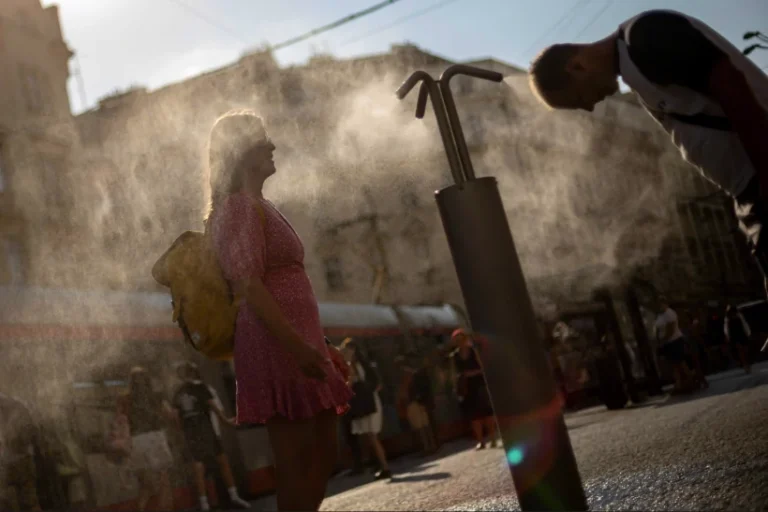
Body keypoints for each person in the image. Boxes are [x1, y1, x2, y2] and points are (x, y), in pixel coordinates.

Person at [528, 10, 768, 296]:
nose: (590, 107)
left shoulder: (644, 37)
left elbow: (732, 87)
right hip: (750, 190)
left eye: (579, 99)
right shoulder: (636, 65)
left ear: (576, 67)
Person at [207, 110, 352, 511]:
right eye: (262, 140)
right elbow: (249, 283)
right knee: (297, 461)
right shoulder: (238, 207)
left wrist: (319, 345)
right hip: (276, 344)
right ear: (241, 152)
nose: (272, 145)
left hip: (298, 342)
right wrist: (298, 347)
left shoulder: (260, 204)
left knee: (323, 453)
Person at [171, 362, 250, 510]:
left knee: (198, 467)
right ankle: (233, 496)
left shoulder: (178, 392)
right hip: (208, 430)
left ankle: (204, 504)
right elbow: (213, 405)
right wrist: (226, 421)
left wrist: (181, 433)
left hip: (191, 434)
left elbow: (175, 416)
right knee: (222, 461)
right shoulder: (201, 387)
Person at [118, 367, 175, 512]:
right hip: (155, 438)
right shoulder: (156, 396)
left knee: (146, 484)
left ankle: (141, 508)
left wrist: (126, 444)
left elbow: (121, 422)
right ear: (148, 379)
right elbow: (170, 415)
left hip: (137, 441)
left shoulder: (125, 399)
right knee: (163, 480)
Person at [340, 338, 392, 480]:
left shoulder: (352, 366)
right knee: (371, 437)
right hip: (370, 401)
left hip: (366, 403)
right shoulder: (363, 364)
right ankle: (382, 465)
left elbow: (349, 386)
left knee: (372, 437)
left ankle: (384, 466)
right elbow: (377, 384)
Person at [450, 329, 498, 450]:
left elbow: (483, 367)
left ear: (465, 339)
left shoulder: (474, 351)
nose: (460, 342)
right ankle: (481, 441)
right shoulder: (454, 356)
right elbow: (453, 373)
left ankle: (493, 438)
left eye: (462, 339)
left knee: (487, 413)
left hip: (479, 384)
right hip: (466, 387)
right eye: (457, 340)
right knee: (474, 416)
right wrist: (456, 384)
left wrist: (473, 373)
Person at [0, 393, 41, 512]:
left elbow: (27, 436)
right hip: (15, 461)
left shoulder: (16, 408)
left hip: (19, 461)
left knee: (29, 501)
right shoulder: (18, 406)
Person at [653, 299, 693, 394]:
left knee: (680, 362)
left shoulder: (669, 313)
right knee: (674, 365)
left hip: (674, 341)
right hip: (667, 343)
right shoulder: (660, 315)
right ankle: (679, 384)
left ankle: (689, 382)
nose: (660, 306)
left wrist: (663, 340)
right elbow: (658, 328)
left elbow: (671, 329)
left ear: (665, 304)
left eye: (661, 304)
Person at [724, 304, 752, 374]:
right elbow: (726, 328)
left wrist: (748, 333)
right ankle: (745, 365)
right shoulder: (727, 318)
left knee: (746, 350)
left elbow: (744, 324)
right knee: (740, 351)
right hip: (734, 336)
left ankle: (747, 363)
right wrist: (727, 336)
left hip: (741, 334)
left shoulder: (739, 316)